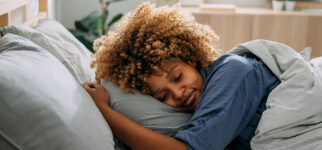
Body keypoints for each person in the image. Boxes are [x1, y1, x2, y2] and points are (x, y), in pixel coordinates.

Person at [83, 2, 280, 150]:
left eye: (177, 77)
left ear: (191, 58)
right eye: (162, 96)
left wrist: (104, 110)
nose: (177, 94)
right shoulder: (200, 102)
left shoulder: (232, 71)